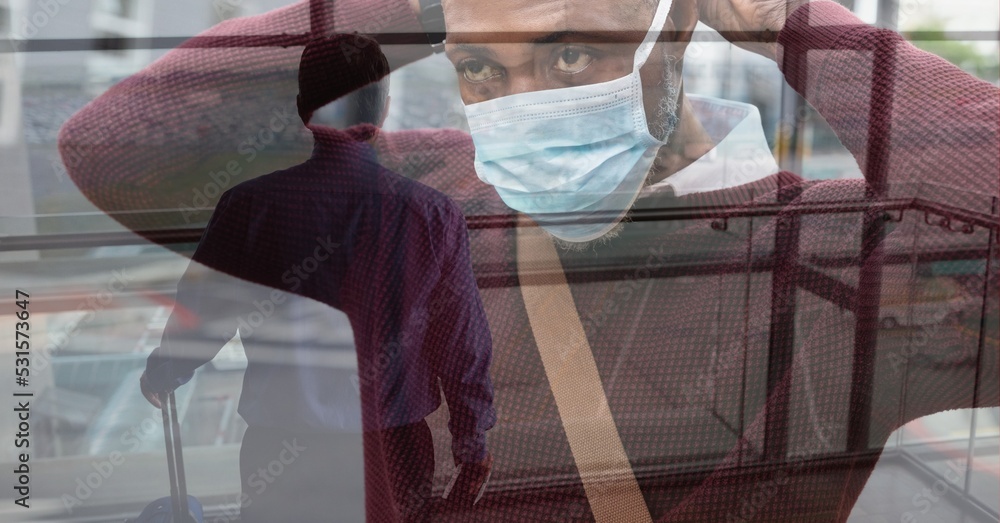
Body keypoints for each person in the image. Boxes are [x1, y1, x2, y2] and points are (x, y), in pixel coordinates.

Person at [60, 0, 998, 520]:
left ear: (675, 35)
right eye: (479, 68)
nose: (518, 105)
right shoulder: (423, 190)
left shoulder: (842, 248)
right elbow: (121, 150)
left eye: (572, 54)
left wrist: (794, 23)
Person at [137, 35, 496, 522]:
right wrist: (471, 441)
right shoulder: (432, 214)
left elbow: (204, 313)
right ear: (384, 111)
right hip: (396, 446)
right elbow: (461, 341)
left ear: (304, 109)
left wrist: (166, 371)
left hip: (284, 445)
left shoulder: (250, 206)